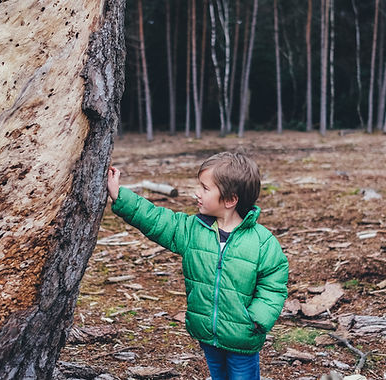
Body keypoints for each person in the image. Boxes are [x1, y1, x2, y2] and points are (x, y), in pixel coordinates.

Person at [107, 151, 289, 380]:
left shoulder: (262, 242)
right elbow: (156, 219)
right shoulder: (193, 230)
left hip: (243, 335)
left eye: (205, 188)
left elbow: (274, 283)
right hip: (207, 333)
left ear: (230, 200)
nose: (197, 193)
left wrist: (257, 319)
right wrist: (120, 196)